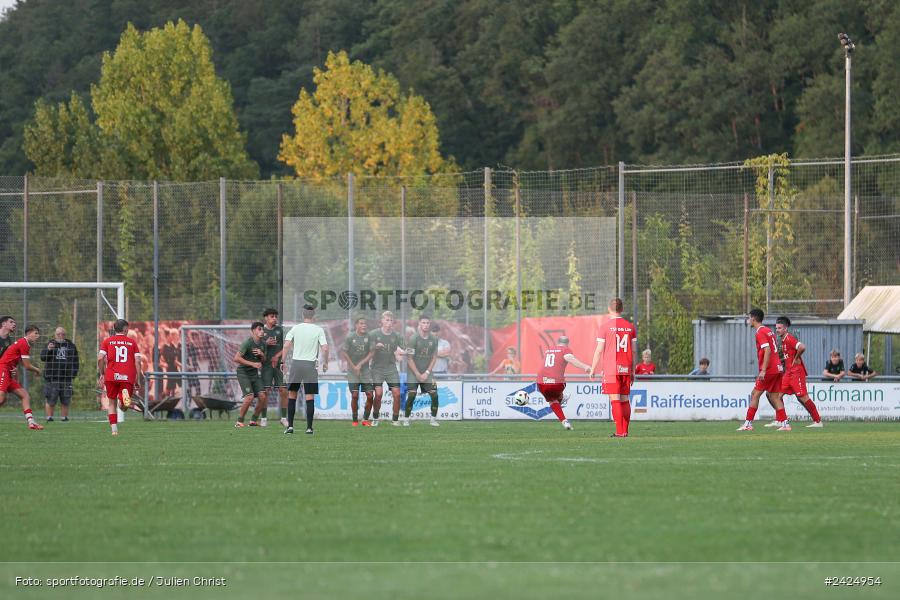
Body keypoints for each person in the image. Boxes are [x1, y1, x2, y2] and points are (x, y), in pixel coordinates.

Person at [590, 298, 637, 437]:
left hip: (611, 369)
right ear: (622, 309)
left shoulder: (605, 327)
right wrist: (632, 370)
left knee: (615, 399)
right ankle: (625, 431)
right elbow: (634, 351)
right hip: (626, 367)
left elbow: (599, 350)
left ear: (609, 309)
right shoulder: (630, 327)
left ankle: (619, 431)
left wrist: (593, 368)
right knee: (624, 399)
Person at [737, 308, 789, 432]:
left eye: (749, 318)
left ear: (753, 318)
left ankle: (748, 423)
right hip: (777, 368)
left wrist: (763, 370)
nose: (748, 320)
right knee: (775, 397)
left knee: (755, 394)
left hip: (769, 370)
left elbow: (767, 350)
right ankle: (785, 424)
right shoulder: (768, 330)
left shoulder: (760, 332)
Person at [281, 305, 328, 435]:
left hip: (296, 364)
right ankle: (309, 428)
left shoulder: (295, 328)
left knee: (292, 395)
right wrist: (325, 363)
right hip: (310, 365)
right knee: (309, 396)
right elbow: (325, 348)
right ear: (314, 316)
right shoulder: (318, 329)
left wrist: (282, 361)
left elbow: (286, 345)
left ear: (302, 315)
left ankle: (290, 427)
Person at [773, 316, 822, 428]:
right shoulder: (783, 340)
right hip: (788, 373)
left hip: (796, 372)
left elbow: (802, 347)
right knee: (777, 396)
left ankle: (818, 421)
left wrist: (796, 357)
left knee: (803, 397)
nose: (777, 330)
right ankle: (782, 421)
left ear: (785, 329)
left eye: (779, 328)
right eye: (776, 328)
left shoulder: (789, 338)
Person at [98, 319, 143, 436]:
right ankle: (122, 403)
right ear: (125, 329)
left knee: (111, 403)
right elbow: (138, 361)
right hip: (127, 376)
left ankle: (114, 429)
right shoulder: (132, 342)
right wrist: (137, 379)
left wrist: (102, 373)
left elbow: (100, 358)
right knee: (125, 405)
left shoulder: (107, 341)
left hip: (111, 376)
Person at [537, 335, 589, 431]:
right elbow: (570, 359)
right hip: (556, 382)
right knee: (558, 390)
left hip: (540, 382)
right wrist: (585, 366)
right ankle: (562, 397)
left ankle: (565, 422)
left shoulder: (550, 349)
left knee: (552, 401)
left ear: (558, 342)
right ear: (567, 344)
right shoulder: (565, 349)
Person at [0, 326, 44, 430]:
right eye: (36, 333)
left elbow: (17, 362)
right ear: (28, 333)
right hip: (3, 369)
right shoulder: (24, 343)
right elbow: (27, 366)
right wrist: (37, 370)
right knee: (1, 397)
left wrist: (15, 375)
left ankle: (31, 422)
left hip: (8, 371)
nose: (38, 336)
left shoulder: (25, 344)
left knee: (24, 395)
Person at [403, 315, 441, 427]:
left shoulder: (434, 339)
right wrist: (417, 374)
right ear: (419, 324)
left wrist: (427, 373)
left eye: (427, 323)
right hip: (413, 372)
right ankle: (406, 418)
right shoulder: (413, 338)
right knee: (412, 395)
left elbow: (434, 357)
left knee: (434, 394)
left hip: (427, 372)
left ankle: (433, 419)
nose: (425, 325)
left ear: (429, 324)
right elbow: (409, 358)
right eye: (423, 323)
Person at [369, 311, 404, 427]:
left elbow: (406, 349)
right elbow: (365, 349)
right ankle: (375, 417)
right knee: (378, 394)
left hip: (391, 368)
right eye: (387, 320)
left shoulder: (397, 335)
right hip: (377, 369)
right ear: (382, 321)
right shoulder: (374, 334)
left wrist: (402, 353)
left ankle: (395, 419)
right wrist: (375, 346)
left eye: (391, 321)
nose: (389, 323)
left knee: (397, 394)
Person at [40, 326, 80, 422]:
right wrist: (48, 350)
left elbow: (76, 361)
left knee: (66, 399)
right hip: (52, 377)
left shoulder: (70, 345)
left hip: (66, 378)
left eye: (62, 334)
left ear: (65, 335)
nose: (60, 336)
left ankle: (64, 418)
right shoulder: (50, 344)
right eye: (58, 334)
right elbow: (42, 357)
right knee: (51, 398)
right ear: (55, 335)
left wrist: (73, 374)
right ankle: (49, 418)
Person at [340, 317, 374, 427]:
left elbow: (372, 352)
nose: (364, 325)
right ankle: (354, 420)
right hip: (352, 370)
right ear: (356, 326)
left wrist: (360, 365)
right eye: (361, 323)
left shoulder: (369, 336)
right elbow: (344, 352)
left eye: (365, 323)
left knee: (370, 395)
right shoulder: (350, 337)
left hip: (365, 370)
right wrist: (354, 366)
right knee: (355, 395)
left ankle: (365, 419)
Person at [233, 321, 267, 428]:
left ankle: (253, 421)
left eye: (262, 329)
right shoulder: (247, 343)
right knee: (249, 397)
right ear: (253, 331)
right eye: (259, 329)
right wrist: (253, 364)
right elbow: (236, 358)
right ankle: (239, 421)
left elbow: (264, 361)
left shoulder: (263, 344)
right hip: (243, 373)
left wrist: (262, 355)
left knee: (263, 396)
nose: (262, 331)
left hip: (254, 374)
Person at [261, 308, 287, 428]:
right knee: (265, 391)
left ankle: (283, 418)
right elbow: (255, 346)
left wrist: (277, 356)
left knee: (283, 391)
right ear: (266, 317)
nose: (275, 318)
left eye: (276, 316)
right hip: (266, 365)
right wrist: (265, 344)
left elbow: (285, 347)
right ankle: (264, 418)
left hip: (278, 365)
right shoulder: (260, 331)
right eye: (272, 316)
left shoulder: (279, 330)